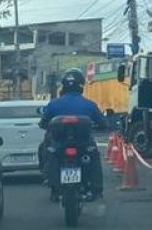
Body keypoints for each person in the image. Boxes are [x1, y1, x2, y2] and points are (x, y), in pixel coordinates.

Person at [39, 69, 106, 201]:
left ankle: (51, 182)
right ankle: (96, 188)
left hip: (59, 144)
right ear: (81, 86)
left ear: (64, 86)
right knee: (94, 155)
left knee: (46, 149)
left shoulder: (54, 104)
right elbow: (102, 123)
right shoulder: (89, 105)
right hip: (83, 144)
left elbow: (43, 122)